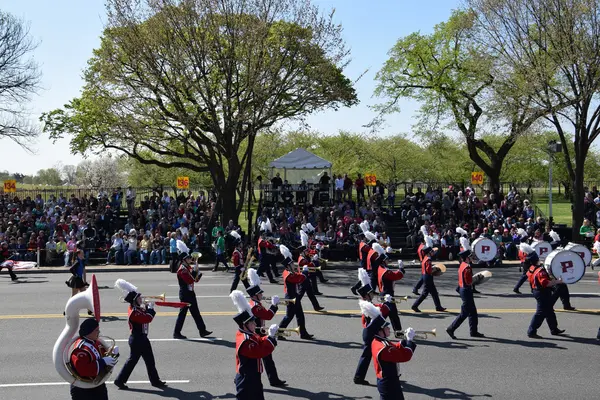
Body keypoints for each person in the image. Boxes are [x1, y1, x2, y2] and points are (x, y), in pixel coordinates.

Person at [113, 279, 166, 390]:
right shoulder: (134, 312)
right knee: (133, 361)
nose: (141, 299)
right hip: (137, 340)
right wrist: (151, 309)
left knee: (149, 360)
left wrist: (147, 307)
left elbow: (144, 313)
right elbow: (147, 318)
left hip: (142, 338)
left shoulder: (136, 308)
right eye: (139, 298)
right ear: (134, 300)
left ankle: (155, 381)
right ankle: (119, 380)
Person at [354, 270, 401, 386]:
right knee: (378, 354)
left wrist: (385, 303)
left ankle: (360, 376)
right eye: (370, 293)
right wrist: (387, 304)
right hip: (371, 333)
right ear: (366, 295)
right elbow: (379, 315)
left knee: (369, 355)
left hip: (371, 332)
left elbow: (377, 308)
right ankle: (362, 377)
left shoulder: (367, 303)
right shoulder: (366, 305)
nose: (372, 295)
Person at [230, 290, 278, 400]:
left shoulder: (247, 333)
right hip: (247, 379)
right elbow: (260, 351)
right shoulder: (246, 340)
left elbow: (259, 340)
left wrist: (269, 336)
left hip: (253, 376)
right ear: (245, 325)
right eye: (252, 323)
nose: (255, 324)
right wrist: (270, 338)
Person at [364, 302, 416, 400]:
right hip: (389, 382)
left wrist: (403, 341)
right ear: (380, 331)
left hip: (388, 380)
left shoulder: (378, 341)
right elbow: (405, 356)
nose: (389, 328)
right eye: (386, 327)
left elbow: (394, 348)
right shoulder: (383, 348)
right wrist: (409, 342)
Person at [245, 269, 287, 387]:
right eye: (260, 293)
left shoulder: (255, 304)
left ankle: (273, 379)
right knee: (259, 360)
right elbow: (268, 316)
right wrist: (274, 305)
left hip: (259, 331)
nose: (262, 295)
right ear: (255, 295)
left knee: (266, 358)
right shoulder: (256, 307)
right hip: (258, 334)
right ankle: (272, 380)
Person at [524, 244, 565, 338]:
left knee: (549, 310)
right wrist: (558, 281)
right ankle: (531, 331)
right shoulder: (540, 271)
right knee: (540, 313)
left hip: (536, 290)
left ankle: (554, 329)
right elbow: (545, 283)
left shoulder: (531, 268)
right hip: (542, 292)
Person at [69, 318, 116, 400]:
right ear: (89, 332)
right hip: (83, 389)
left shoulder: (94, 341)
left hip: (96, 385)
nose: (99, 332)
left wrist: (113, 352)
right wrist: (102, 362)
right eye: (96, 330)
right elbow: (84, 370)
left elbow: (104, 354)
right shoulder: (80, 350)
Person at [173, 242, 213, 339]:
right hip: (185, 294)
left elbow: (194, 279)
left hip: (190, 293)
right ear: (183, 260)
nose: (190, 259)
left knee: (195, 312)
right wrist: (196, 272)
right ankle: (176, 333)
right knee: (182, 314)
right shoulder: (182, 270)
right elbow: (191, 280)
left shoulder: (186, 267)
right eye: (188, 258)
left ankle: (202, 330)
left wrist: (196, 270)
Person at [446, 241, 484, 339]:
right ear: (466, 258)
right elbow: (468, 281)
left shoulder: (462, 265)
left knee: (473, 312)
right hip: (466, 290)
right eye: (470, 256)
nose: (471, 258)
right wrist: (477, 278)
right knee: (465, 313)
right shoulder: (467, 268)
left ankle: (474, 331)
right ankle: (451, 328)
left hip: (463, 290)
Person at [278, 245, 314, 340]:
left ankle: (303, 333)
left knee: (300, 315)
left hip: (294, 295)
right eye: (292, 264)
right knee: (289, 317)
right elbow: (298, 279)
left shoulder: (289, 271)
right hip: (291, 297)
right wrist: (305, 273)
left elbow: (297, 275)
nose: (294, 265)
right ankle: (279, 332)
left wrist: (301, 273)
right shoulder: (289, 274)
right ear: (288, 266)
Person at [411, 237, 446, 313]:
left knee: (434, 292)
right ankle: (415, 305)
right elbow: (428, 270)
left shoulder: (425, 258)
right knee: (424, 293)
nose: (433, 252)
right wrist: (435, 269)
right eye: (432, 251)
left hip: (425, 276)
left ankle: (438, 306)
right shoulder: (429, 259)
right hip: (428, 277)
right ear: (429, 252)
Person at [297, 231, 325, 311]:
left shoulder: (304, 256)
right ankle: (294, 304)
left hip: (305, 277)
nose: (307, 252)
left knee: (311, 294)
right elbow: (308, 265)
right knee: (300, 295)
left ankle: (316, 306)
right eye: (305, 251)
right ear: (302, 252)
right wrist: (313, 261)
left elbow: (310, 259)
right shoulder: (302, 259)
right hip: (302, 278)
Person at [351, 231, 377, 295]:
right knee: (368, 276)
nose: (367, 239)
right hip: (364, 262)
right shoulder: (362, 244)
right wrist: (373, 242)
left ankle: (357, 288)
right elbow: (369, 249)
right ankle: (357, 288)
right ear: (363, 238)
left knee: (367, 276)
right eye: (366, 238)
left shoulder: (363, 243)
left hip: (366, 261)